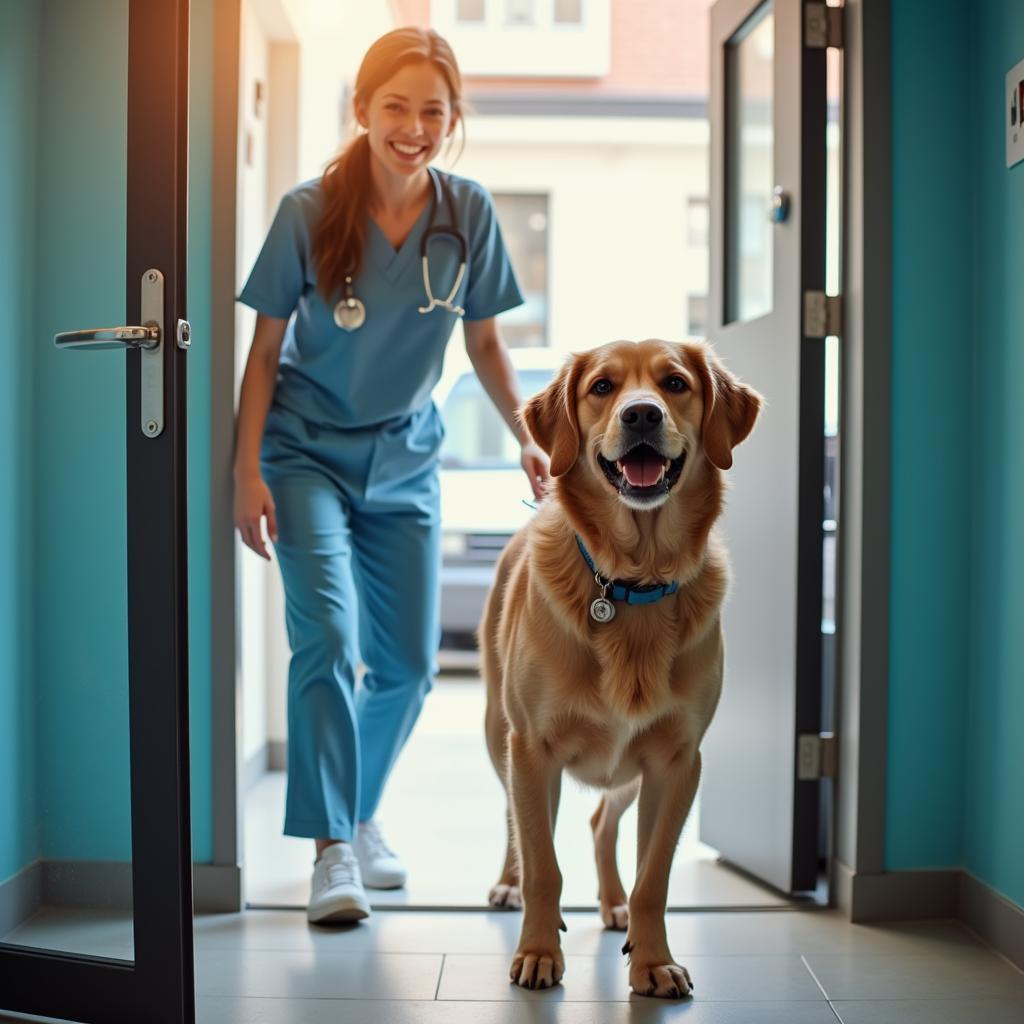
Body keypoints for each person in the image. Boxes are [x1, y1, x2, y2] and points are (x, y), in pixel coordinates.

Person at [233, 26, 548, 925]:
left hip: (407, 454)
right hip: (303, 450)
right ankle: (333, 850)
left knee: (407, 667)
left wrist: (527, 433)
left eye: (433, 112)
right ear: (362, 110)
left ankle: (359, 812)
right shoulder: (309, 209)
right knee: (328, 637)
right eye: (396, 107)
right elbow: (263, 355)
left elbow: (484, 339)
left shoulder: (469, 213)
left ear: (454, 119)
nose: (414, 127)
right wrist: (244, 468)